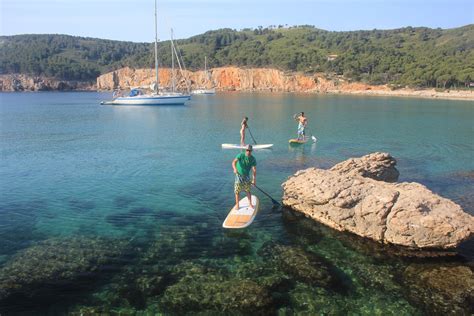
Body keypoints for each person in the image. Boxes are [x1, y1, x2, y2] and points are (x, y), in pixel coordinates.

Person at [232, 144, 257, 210]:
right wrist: (234, 169)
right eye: (247, 150)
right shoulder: (240, 155)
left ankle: (250, 204)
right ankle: (237, 205)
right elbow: (234, 162)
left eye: (250, 150)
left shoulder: (253, 159)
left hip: (246, 176)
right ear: (245, 150)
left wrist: (254, 180)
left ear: (251, 151)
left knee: (248, 190)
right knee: (237, 191)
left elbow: (254, 170)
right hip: (239, 175)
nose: (248, 152)